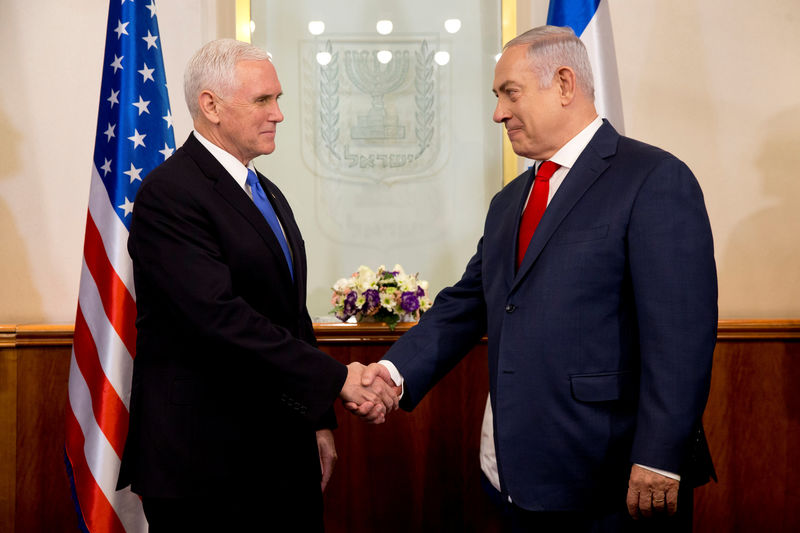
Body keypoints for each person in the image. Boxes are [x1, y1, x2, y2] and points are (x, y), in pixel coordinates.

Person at [353, 26, 717, 531]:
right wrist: (391, 376)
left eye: (510, 92)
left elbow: (681, 336)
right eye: (497, 96)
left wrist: (659, 455)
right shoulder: (510, 201)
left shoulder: (653, 178)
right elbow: (467, 304)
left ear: (564, 84)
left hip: (612, 477)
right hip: (517, 479)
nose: (498, 112)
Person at [116, 39, 398, 532]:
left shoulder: (265, 191)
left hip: (280, 453)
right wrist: (338, 380)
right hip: (204, 464)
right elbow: (217, 317)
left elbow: (289, 316)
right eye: (263, 100)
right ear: (211, 106)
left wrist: (318, 418)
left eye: (278, 98)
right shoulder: (169, 194)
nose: (279, 114)